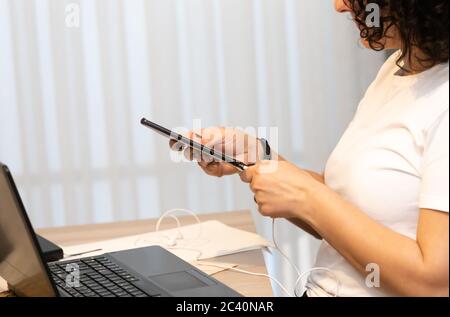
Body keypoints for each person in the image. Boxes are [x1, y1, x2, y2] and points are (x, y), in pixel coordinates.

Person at [171, 0, 449, 297]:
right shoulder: (396, 70)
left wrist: (307, 197)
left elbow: (433, 283)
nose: (339, 5)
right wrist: (259, 157)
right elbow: (349, 212)